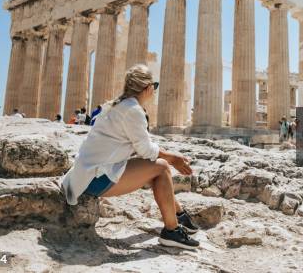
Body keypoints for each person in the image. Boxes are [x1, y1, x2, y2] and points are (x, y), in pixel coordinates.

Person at [60, 64, 199, 249]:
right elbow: (146, 150)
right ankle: (172, 231)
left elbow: (138, 147)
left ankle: (179, 215)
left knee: (157, 166)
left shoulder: (116, 105)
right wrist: (173, 158)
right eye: (154, 87)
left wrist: (166, 155)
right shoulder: (133, 110)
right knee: (162, 167)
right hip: (94, 180)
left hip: (84, 175)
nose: (154, 91)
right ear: (148, 88)